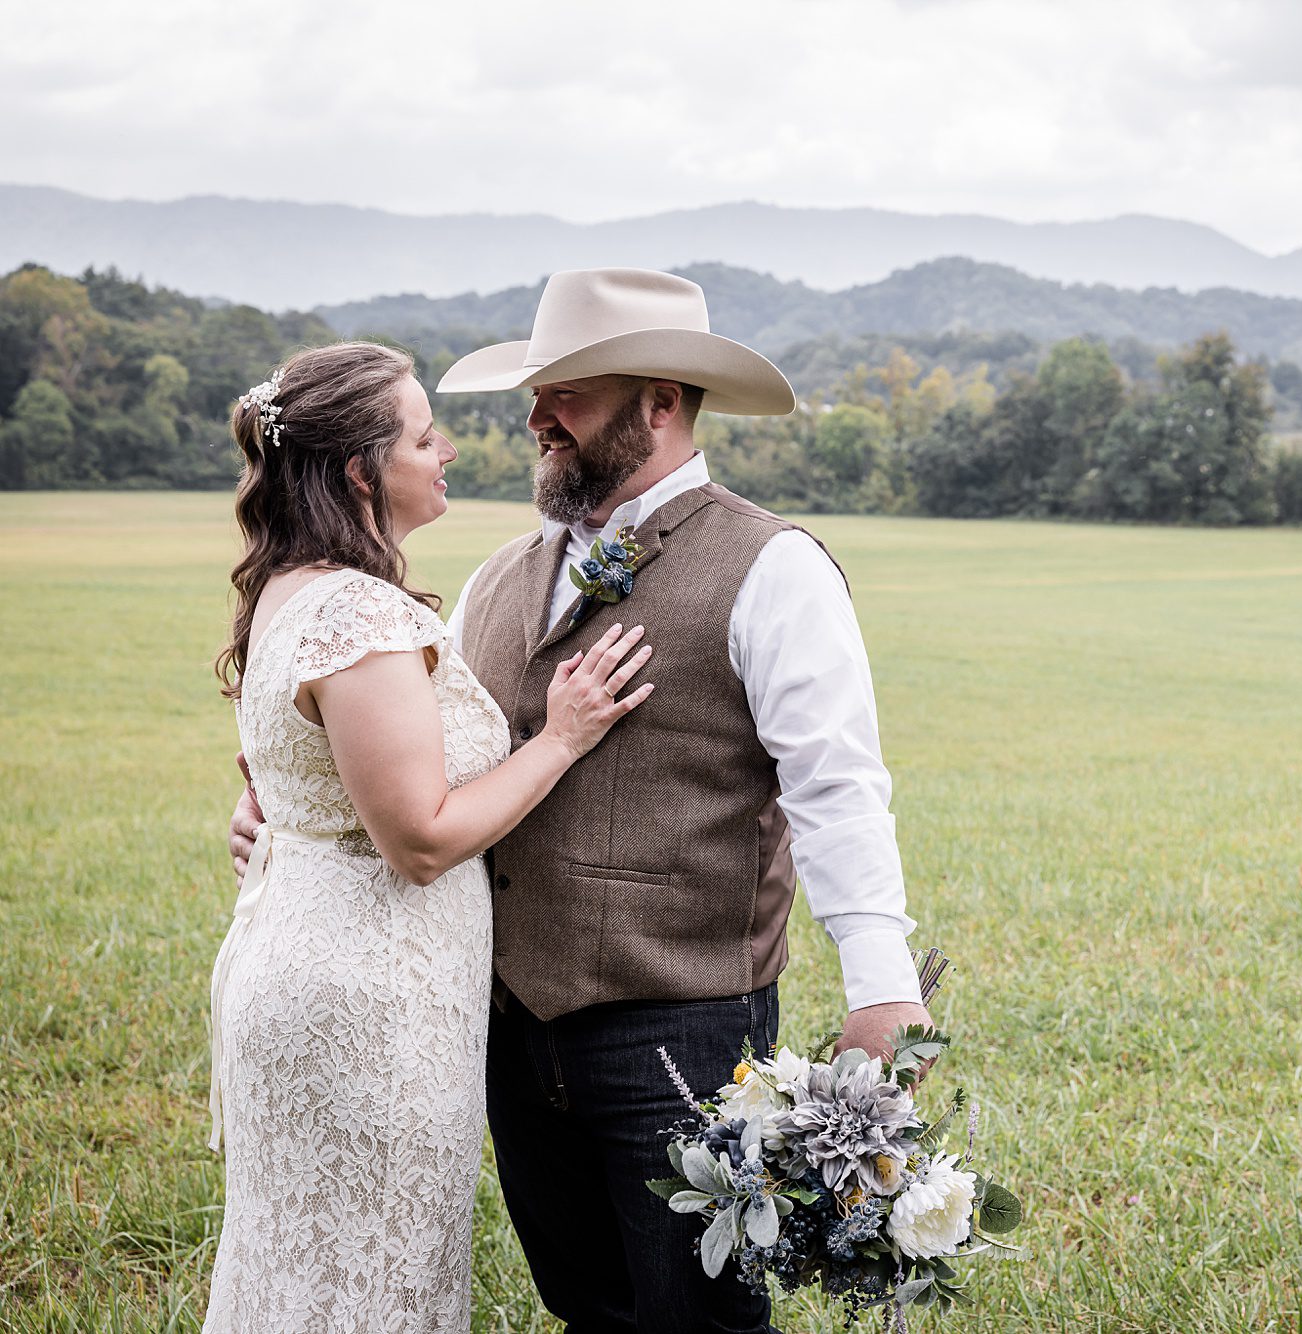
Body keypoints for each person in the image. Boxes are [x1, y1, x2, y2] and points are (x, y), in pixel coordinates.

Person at [228, 269, 932, 1333]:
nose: (534, 416)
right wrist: (287, 823)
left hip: (682, 1026)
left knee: (700, 1317)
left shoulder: (774, 566)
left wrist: (880, 986)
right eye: (534, 390)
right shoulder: (496, 577)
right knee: (588, 1308)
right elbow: (405, 764)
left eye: (569, 393)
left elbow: (836, 786)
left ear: (658, 400)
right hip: (506, 1029)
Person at [206, 341, 653, 1332]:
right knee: (371, 1281)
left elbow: (307, 774)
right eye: (421, 435)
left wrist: (276, 814)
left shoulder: (289, 584)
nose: (444, 448)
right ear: (362, 469)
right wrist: (564, 736)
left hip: (318, 962)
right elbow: (419, 837)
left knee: (310, 1269)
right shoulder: (356, 609)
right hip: (370, 999)